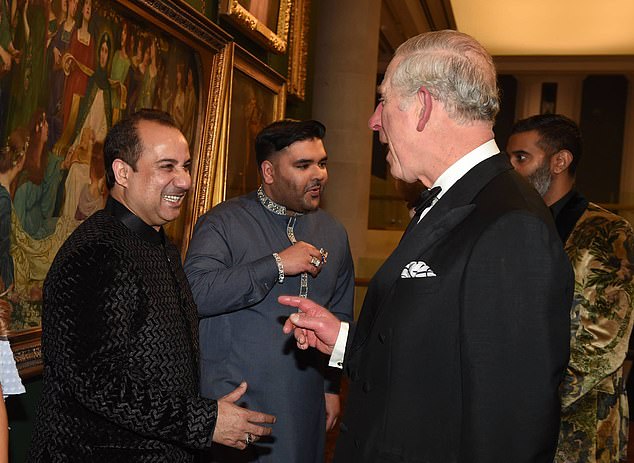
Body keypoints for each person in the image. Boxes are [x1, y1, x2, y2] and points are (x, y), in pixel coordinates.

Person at [280, 30, 573, 463]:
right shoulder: (453, 200)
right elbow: (433, 360)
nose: (373, 120)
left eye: (383, 101)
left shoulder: (511, 225)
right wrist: (342, 340)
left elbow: (511, 426)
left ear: (422, 106)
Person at [27, 109, 275, 462]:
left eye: (186, 166)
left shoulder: (159, 245)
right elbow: (98, 381)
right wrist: (204, 421)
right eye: (167, 166)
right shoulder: (96, 253)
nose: (185, 180)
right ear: (122, 172)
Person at [184, 119, 355, 462]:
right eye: (303, 165)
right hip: (237, 405)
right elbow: (195, 293)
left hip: (306, 408)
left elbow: (340, 314)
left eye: (321, 163)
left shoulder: (333, 232)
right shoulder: (224, 223)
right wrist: (276, 264)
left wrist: (330, 387)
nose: (319, 174)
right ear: (269, 171)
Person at [506, 113, 634, 463]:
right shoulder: (514, 228)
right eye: (509, 159)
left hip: (581, 423)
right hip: (515, 418)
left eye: (521, 158)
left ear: (560, 161)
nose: (511, 169)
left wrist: (524, 405)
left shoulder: (608, 232)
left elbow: (601, 344)